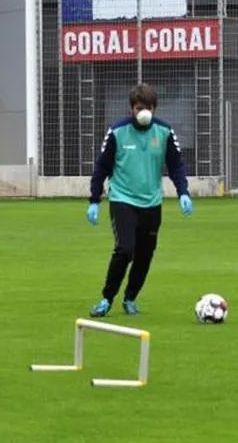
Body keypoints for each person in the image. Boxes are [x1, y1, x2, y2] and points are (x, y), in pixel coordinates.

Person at [86, 83, 193, 317]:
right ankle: (106, 299)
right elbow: (102, 167)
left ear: (155, 108)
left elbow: (176, 165)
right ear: (131, 108)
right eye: (138, 108)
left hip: (152, 203)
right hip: (123, 199)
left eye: (147, 108)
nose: (142, 112)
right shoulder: (117, 131)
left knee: (145, 254)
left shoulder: (164, 131)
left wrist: (183, 192)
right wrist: (94, 199)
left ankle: (130, 298)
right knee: (125, 249)